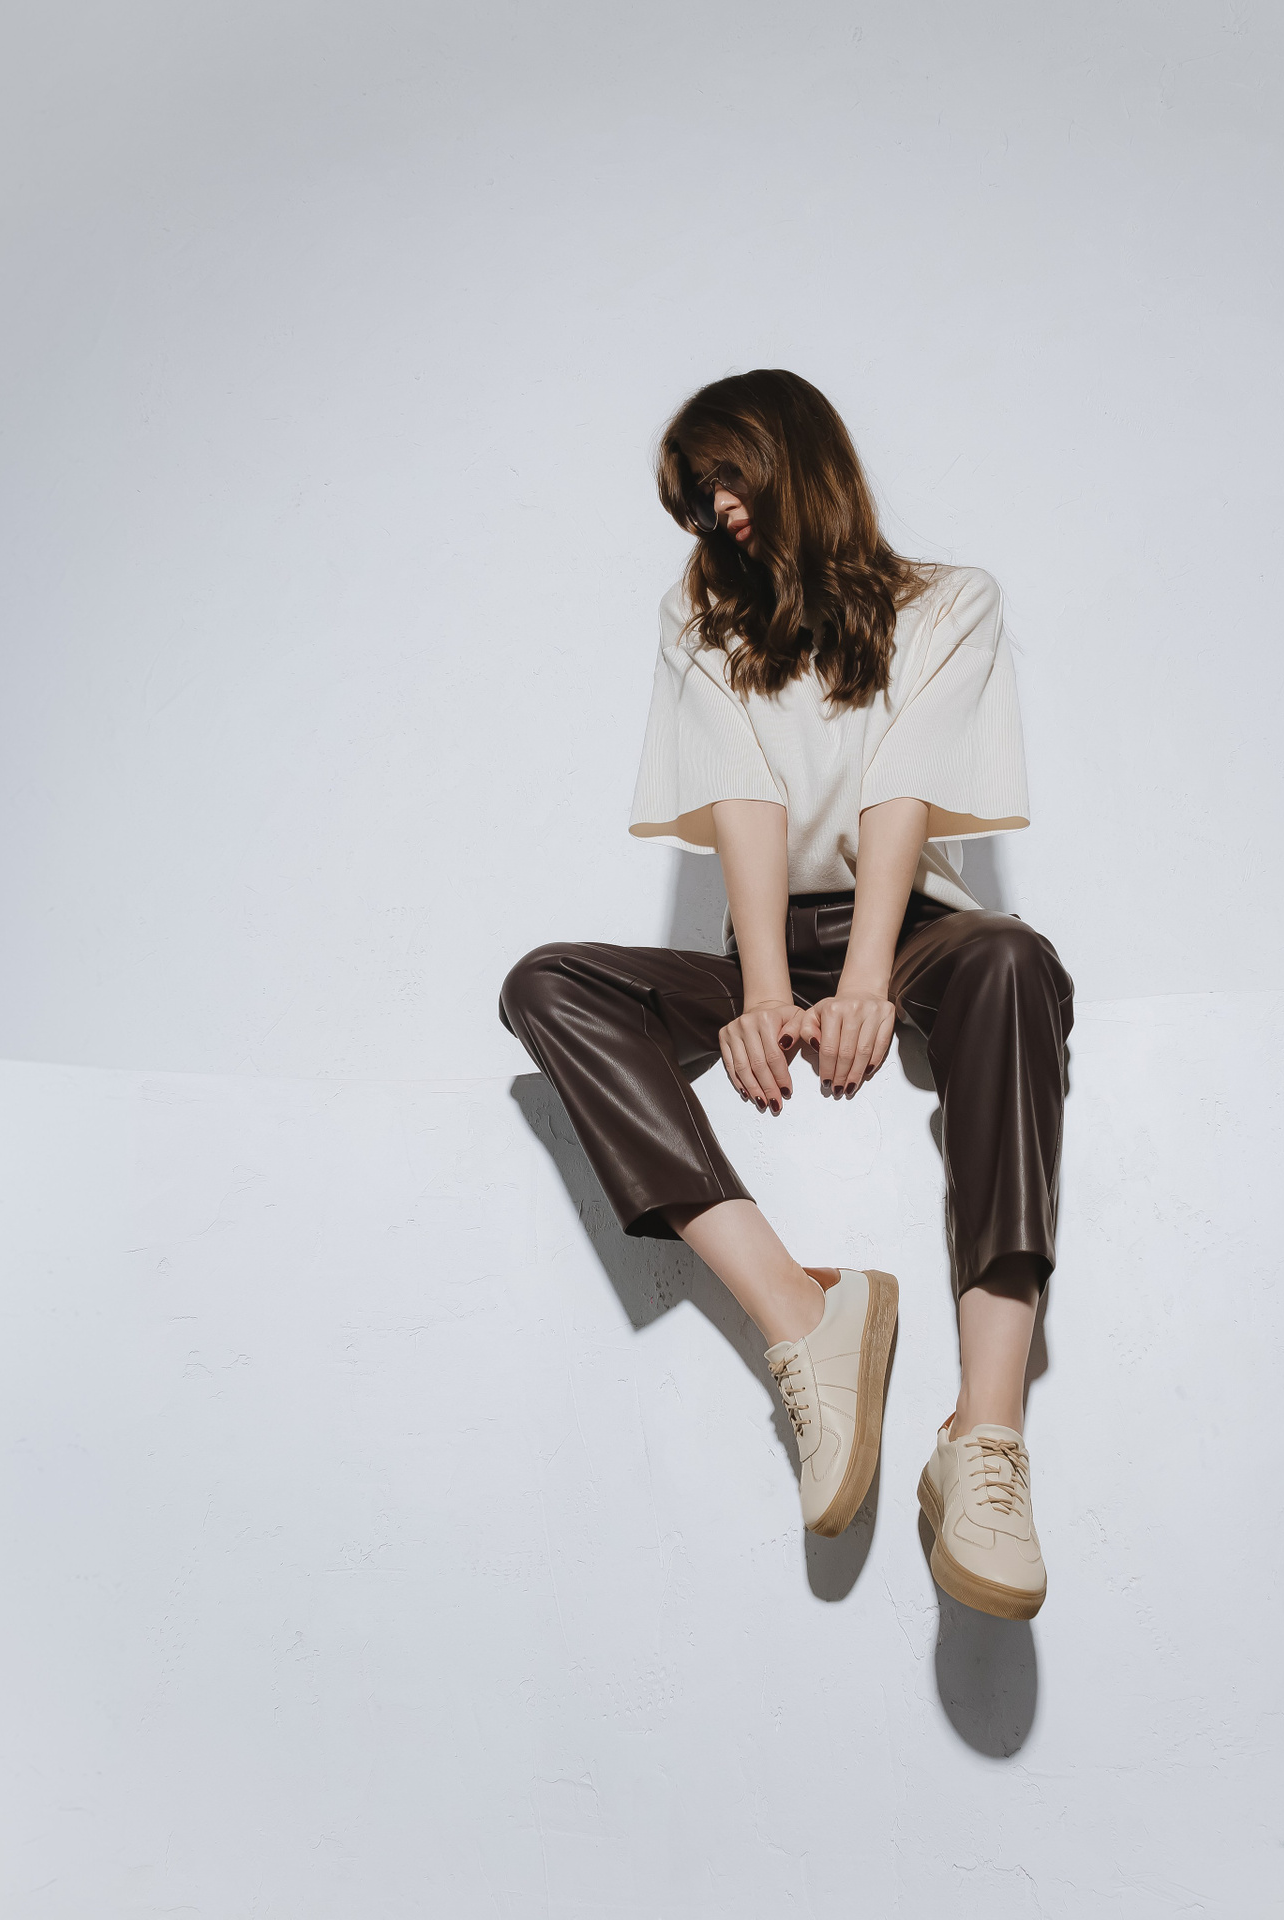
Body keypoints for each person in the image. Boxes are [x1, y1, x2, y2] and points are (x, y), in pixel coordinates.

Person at [500, 370, 1073, 1620]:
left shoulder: (951, 603)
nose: (717, 510)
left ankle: (983, 1439)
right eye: (697, 498)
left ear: (794, 456)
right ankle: (803, 1314)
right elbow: (743, 799)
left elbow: (901, 788)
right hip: (769, 943)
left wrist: (868, 978)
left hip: (913, 936)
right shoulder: (701, 617)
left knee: (1014, 961)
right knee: (547, 986)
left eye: (728, 477)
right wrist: (763, 990)